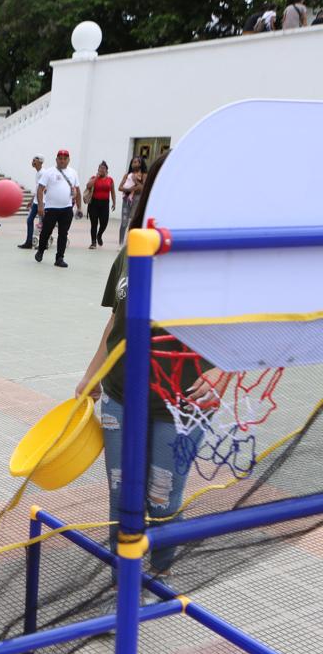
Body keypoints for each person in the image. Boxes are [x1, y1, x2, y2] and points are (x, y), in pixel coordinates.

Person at [75, 152, 216, 576]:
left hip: (180, 405)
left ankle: (161, 571)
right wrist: (91, 375)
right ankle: (122, 587)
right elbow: (115, 322)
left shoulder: (209, 257)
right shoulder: (131, 251)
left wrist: (223, 373)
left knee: (162, 501)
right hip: (120, 396)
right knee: (122, 499)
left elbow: (239, 326)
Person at [35, 148, 83, 268]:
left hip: (66, 209)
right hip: (51, 209)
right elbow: (40, 189)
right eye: (60, 159)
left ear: (68, 160)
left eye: (64, 159)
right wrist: (40, 205)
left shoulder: (73, 173)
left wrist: (80, 207)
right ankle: (40, 250)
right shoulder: (49, 172)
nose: (62, 161)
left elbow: (77, 190)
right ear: (56, 159)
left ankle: (59, 258)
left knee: (63, 234)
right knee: (46, 231)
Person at [85, 161, 116, 248]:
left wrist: (114, 202)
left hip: (105, 203)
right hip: (94, 203)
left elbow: (113, 192)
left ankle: (99, 235)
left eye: (103, 168)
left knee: (104, 223)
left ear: (106, 170)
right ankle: (93, 242)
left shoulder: (110, 180)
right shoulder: (94, 178)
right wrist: (96, 178)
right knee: (94, 223)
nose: (101, 170)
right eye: (100, 168)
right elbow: (88, 186)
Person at [118, 157, 147, 245]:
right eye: (133, 162)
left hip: (137, 200)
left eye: (136, 162)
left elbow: (144, 188)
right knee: (124, 222)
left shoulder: (144, 175)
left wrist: (136, 181)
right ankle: (121, 243)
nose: (134, 164)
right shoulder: (127, 175)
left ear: (140, 164)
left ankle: (130, 243)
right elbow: (120, 187)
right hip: (126, 200)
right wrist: (130, 189)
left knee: (133, 222)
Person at [18, 154, 44, 249]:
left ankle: (43, 243)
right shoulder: (38, 173)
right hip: (36, 202)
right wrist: (32, 200)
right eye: (33, 160)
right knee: (29, 220)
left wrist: (41, 202)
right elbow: (38, 189)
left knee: (43, 223)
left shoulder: (43, 173)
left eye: (35, 160)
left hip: (42, 203)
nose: (33, 161)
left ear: (40, 162)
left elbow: (43, 189)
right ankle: (29, 242)